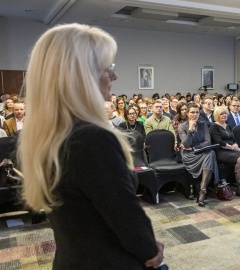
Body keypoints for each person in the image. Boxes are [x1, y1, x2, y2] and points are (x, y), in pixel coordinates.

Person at [18, 23, 163, 269]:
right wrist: (150, 249)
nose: (114, 76)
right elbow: (126, 218)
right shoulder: (92, 140)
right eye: (109, 68)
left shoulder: (50, 134)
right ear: (82, 76)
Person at [178, 103, 220, 207]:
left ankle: (203, 189)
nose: (195, 114)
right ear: (187, 113)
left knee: (210, 153)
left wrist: (194, 147)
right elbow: (186, 144)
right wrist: (190, 130)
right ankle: (203, 190)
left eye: (197, 112)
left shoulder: (203, 124)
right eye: (192, 112)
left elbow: (208, 142)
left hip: (199, 151)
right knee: (210, 155)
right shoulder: (182, 126)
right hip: (189, 155)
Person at [209, 106, 240, 198]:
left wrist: (236, 145)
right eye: (221, 114)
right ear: (217, 115)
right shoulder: (213, 126)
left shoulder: (228, 126)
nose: (224, 115)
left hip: (232, 149)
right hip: (220, 151)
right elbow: (219, 142)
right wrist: (233, 148)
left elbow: (234, 140)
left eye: (225, 113)